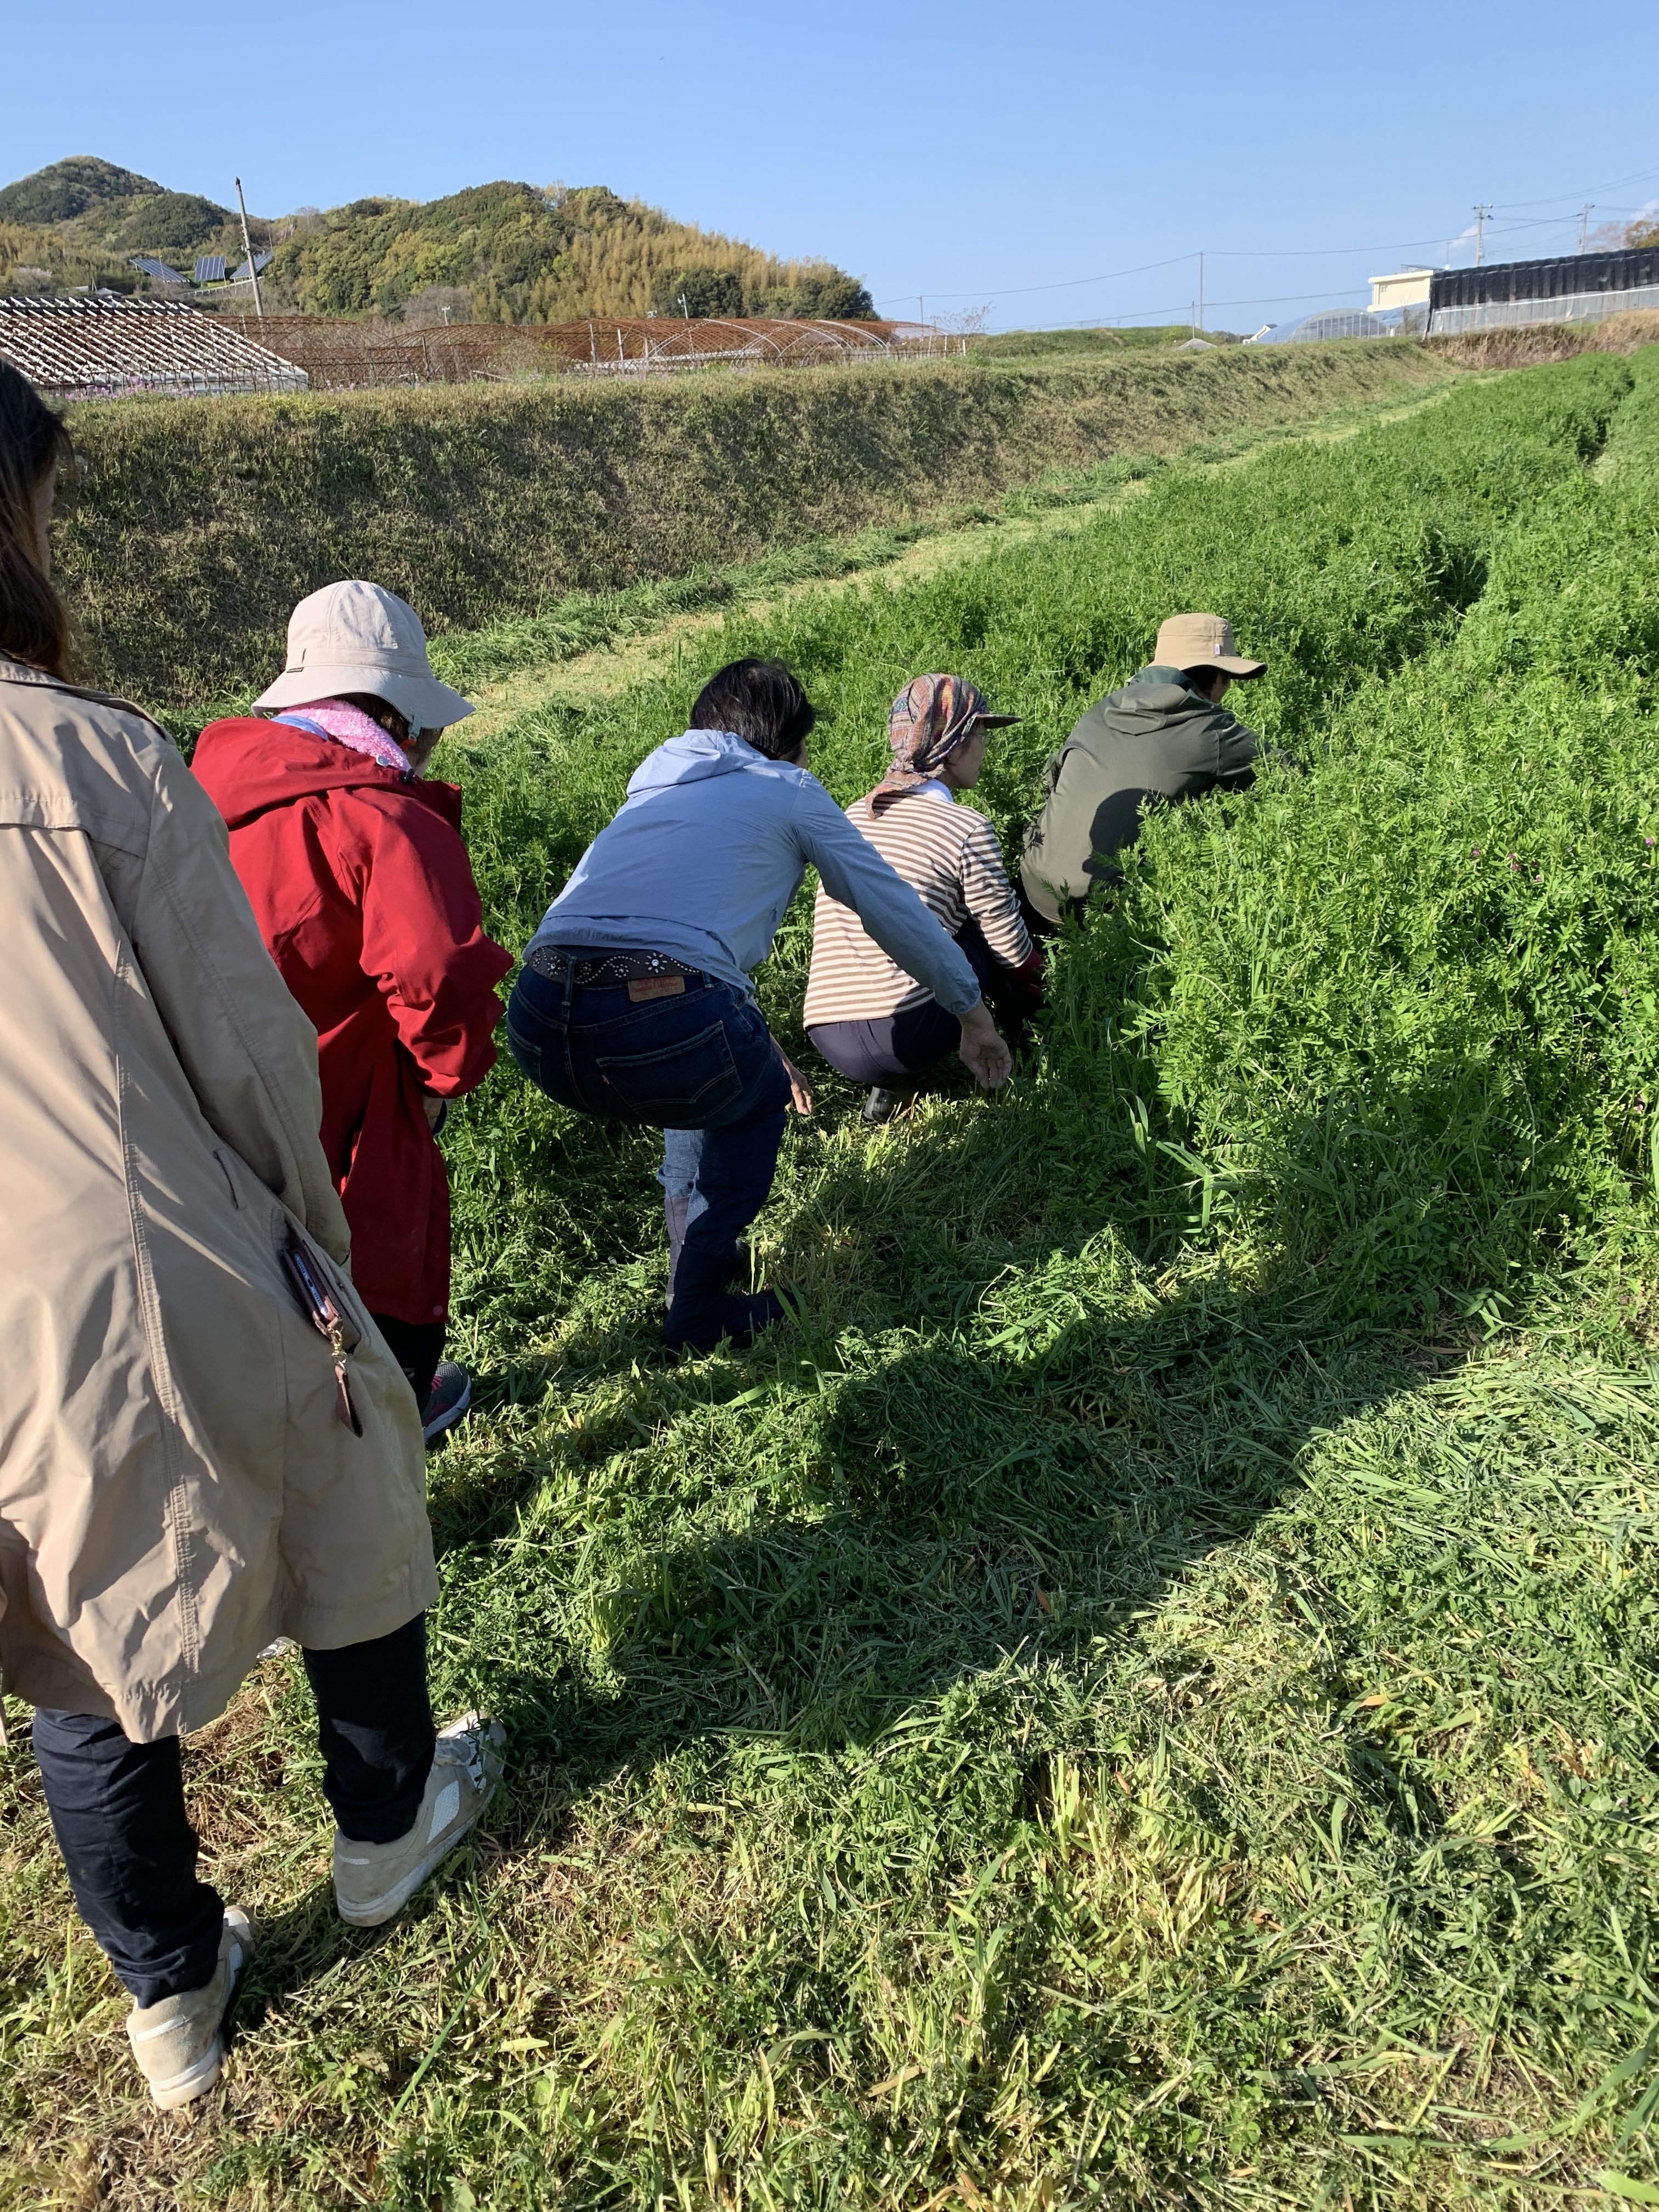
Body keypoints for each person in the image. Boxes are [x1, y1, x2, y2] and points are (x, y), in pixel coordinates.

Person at [0, 364, 501, 2114]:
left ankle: (170, 1995)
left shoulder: (210, 761)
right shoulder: (88, 754)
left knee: (74, 1638)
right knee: (353, 1483)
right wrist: (316, 1250)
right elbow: (251, 1054)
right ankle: (384, 1828)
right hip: (123, 1247)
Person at [506, 657, 1012, 1353]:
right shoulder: (788, 789)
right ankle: (697, 1307)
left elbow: (671, 947)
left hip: (537, 1017)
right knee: (750, 1093)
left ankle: (693, 1256)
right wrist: (974, 1018)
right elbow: (894, 911)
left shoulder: (654, 789)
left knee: (703, 1073)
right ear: (791, 745)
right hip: (660, 1014)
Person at [194, 582, 512, 1442]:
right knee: (372, 1296)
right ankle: (388, 1437)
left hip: (212, 1118)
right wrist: (442, 1081)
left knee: (257, 1297)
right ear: (395, 713)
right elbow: (442, 972)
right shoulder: (381, 817)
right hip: (349, 1114)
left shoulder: (200, 797)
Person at [804, 673, 1045, 1122]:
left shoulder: (853, 815)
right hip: (911, 1029)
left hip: (829, 1033)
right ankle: (1024, 1043)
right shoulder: (966, 827)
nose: (986, 748)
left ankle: (891, 1088)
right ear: (952, 747)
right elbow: (1007, 943)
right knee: (982, 925)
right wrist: (1044, 984)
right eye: (981, 735)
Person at [1020, 612, 1269, 927]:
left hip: (1034, 886)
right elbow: (1285, 772)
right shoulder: (1210, 729)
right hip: (1103, 912)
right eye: (1228, 678)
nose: (1228, 688)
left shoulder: (1102, 708)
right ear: (1214, 676)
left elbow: (1050, 779)